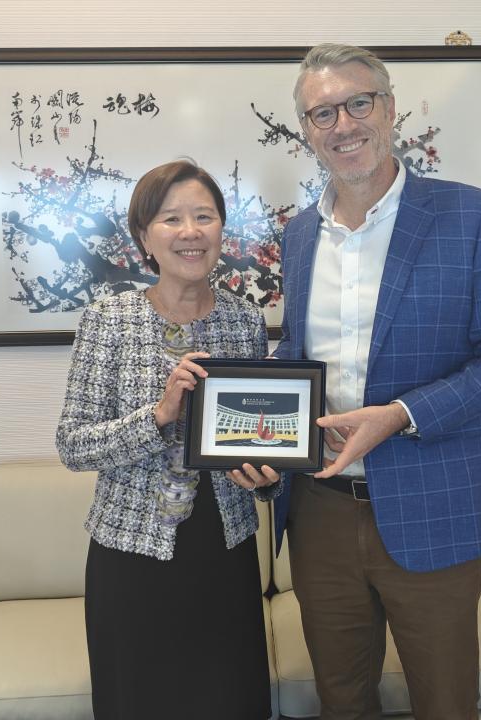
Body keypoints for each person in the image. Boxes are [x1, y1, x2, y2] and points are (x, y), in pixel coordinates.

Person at [270, 44, 481, 720]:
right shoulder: (300, 237)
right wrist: (254, 432)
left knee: (445, 701)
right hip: (321, 510)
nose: (343, 124)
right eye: (322, 112)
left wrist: (399, 415)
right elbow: (297, 356)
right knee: (342, 700)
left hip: (436, 501)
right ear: (306, 130)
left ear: (390, 109)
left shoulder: (472, 216)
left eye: (358, 102)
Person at [56, 159, 279, 720]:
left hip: (223, 546)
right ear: (144, 238)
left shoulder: (244, 321)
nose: (190, 231)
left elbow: (260, 435)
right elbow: (73, 444)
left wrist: (267, 475)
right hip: (132, 554)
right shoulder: (109, 318)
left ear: (221, 231)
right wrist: (158, 416)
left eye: (204, 216)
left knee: (228, 697)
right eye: (171, 218)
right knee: (140, 700)